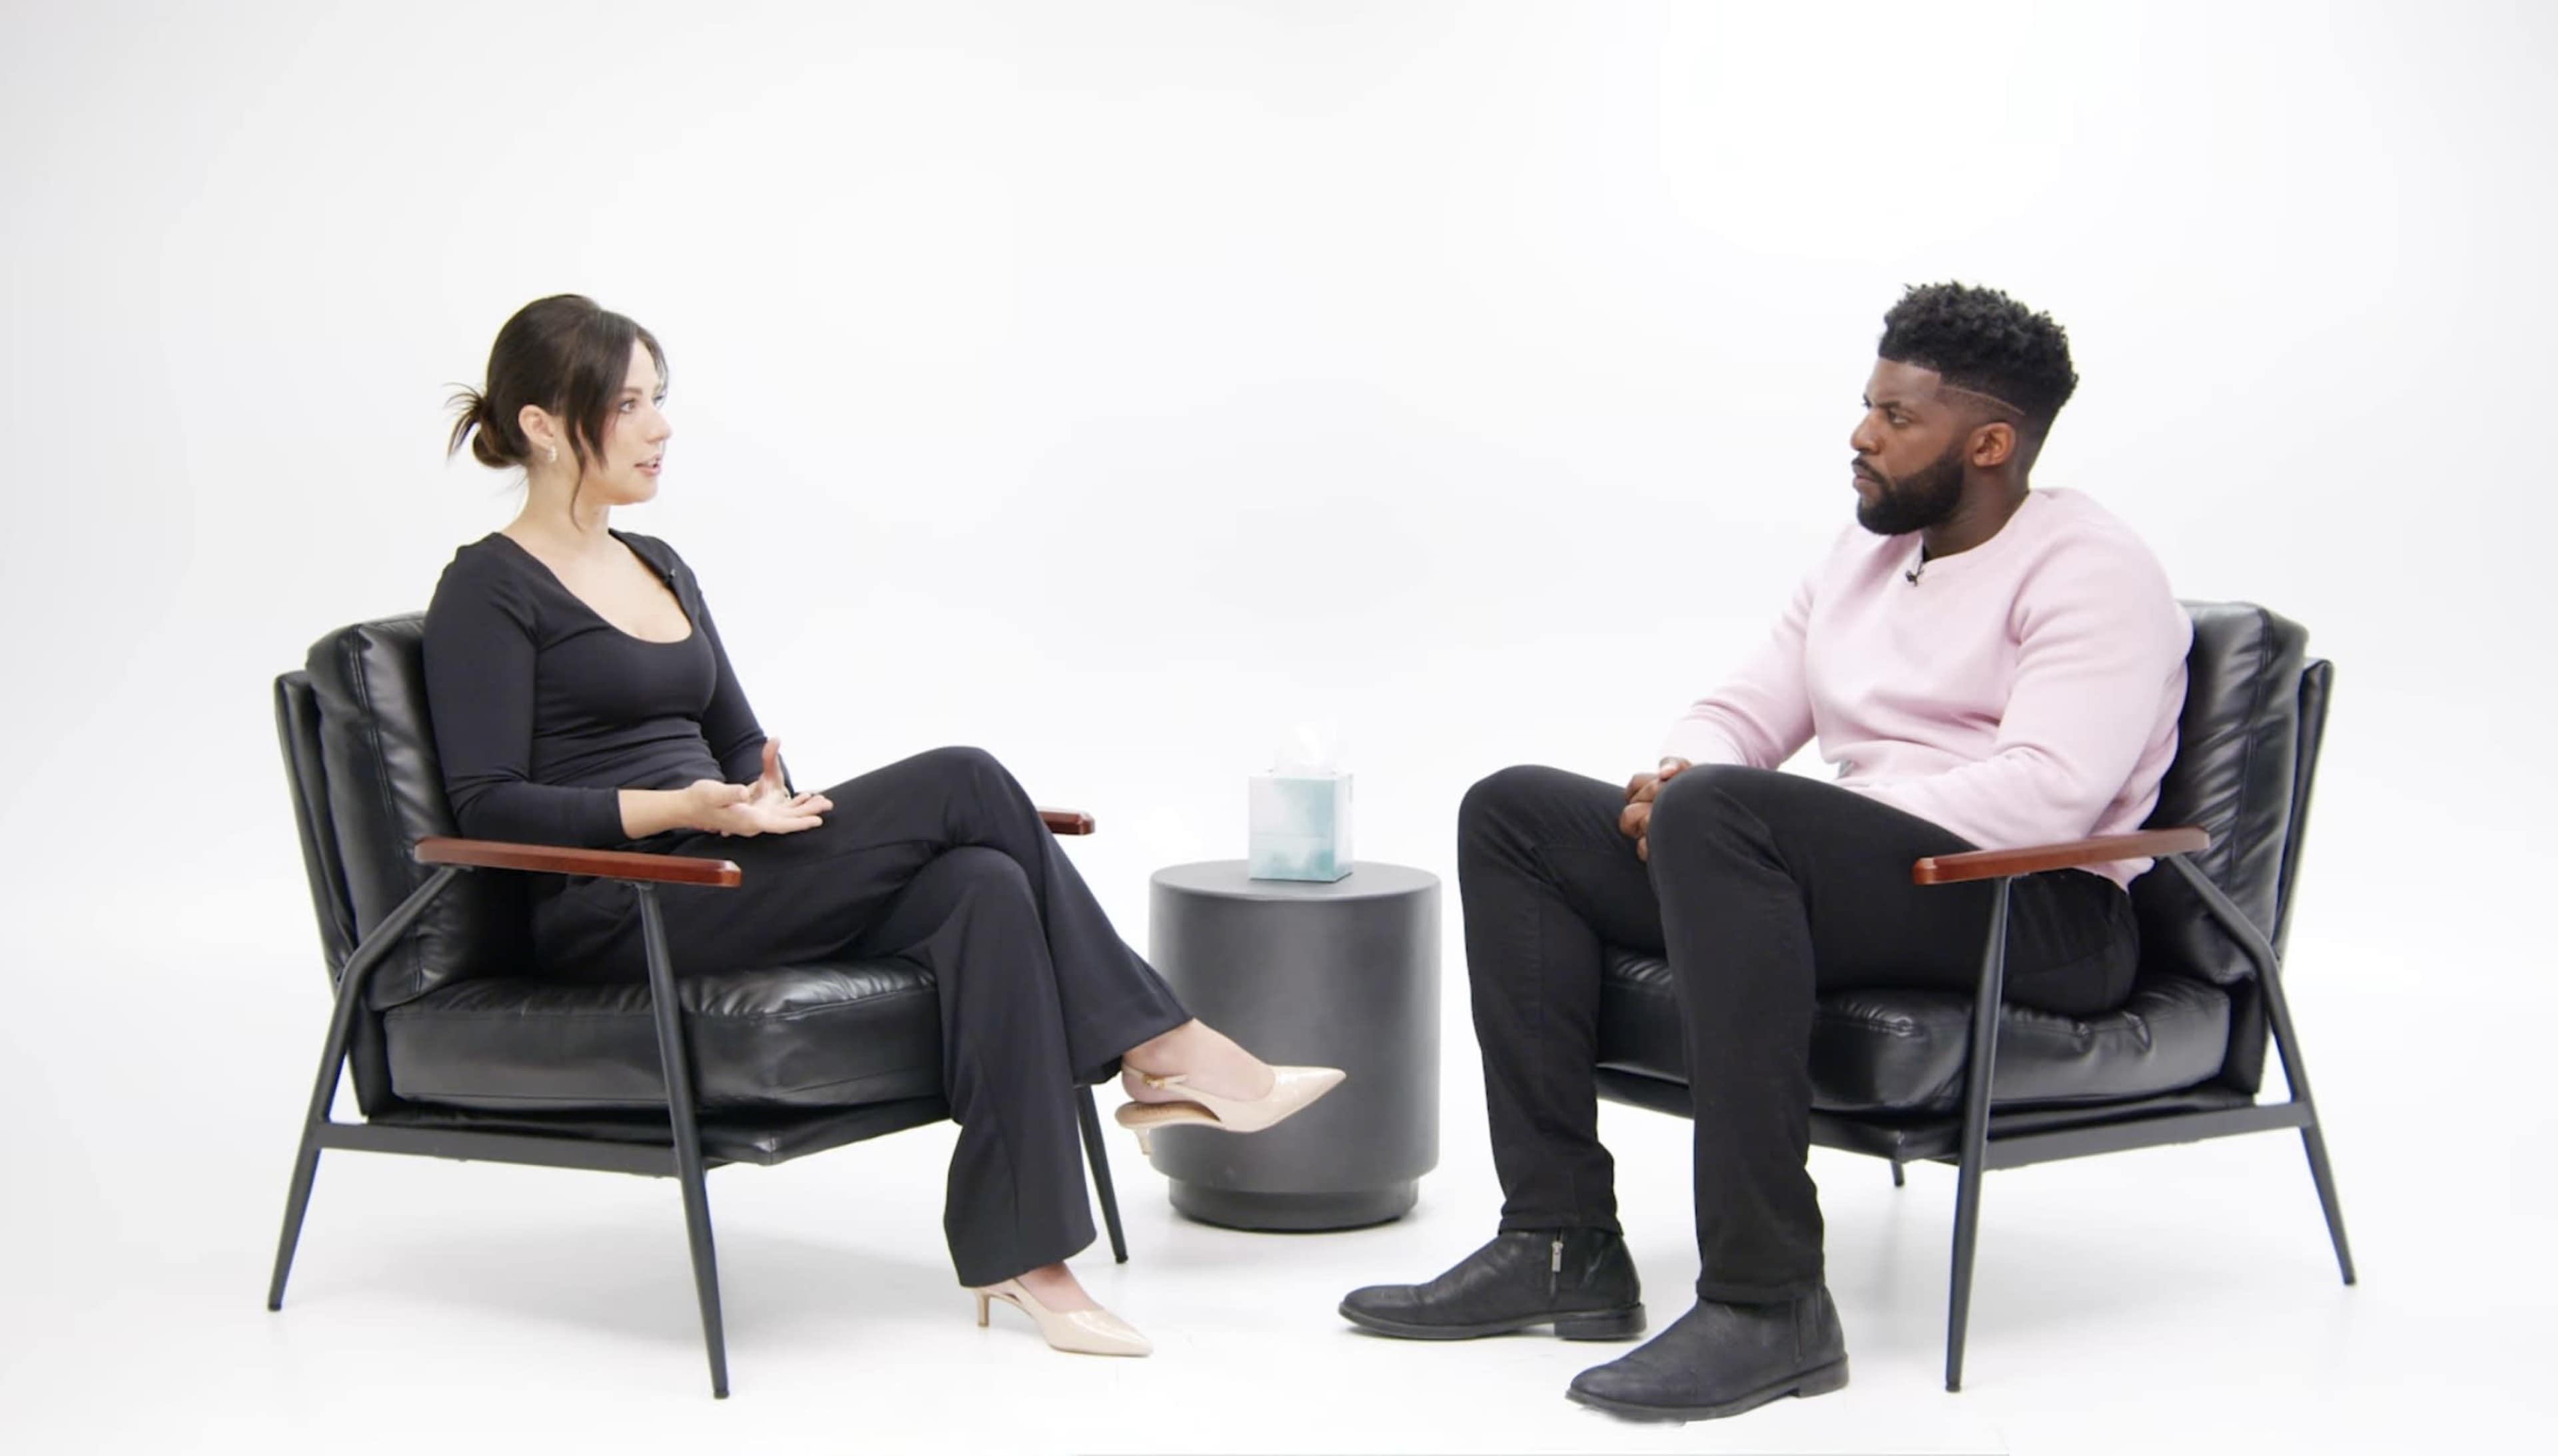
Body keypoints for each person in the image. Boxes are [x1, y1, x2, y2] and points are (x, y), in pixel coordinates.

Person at [422, 294, 1342, 1359]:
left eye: (659, 399)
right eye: (627, 405)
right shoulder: (487, 589)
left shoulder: (661, 564)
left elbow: (737, 738)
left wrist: (763, 802)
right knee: (963, 777)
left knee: (987, 886)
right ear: (542, 425)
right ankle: (1167, 1045)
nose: (660, 426)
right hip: (620, 904)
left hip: (726, 863)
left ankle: (1026, 1256)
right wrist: (680, 810)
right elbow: (487, 804)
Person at [1338, 282, 2191, 1421]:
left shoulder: (2095, 569)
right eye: (1866, 406)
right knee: (1519, 814)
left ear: (1989, 443)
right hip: (1869, 879)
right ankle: (1559, 1239)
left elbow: (2053, 793)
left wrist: (1773, 822)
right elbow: (1747, 705)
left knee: (1725, 818)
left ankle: (1770, 1298)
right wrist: (1681, 774)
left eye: (1898, 417)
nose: (1862, 434)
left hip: (2038, 908)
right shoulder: (1867, 554)